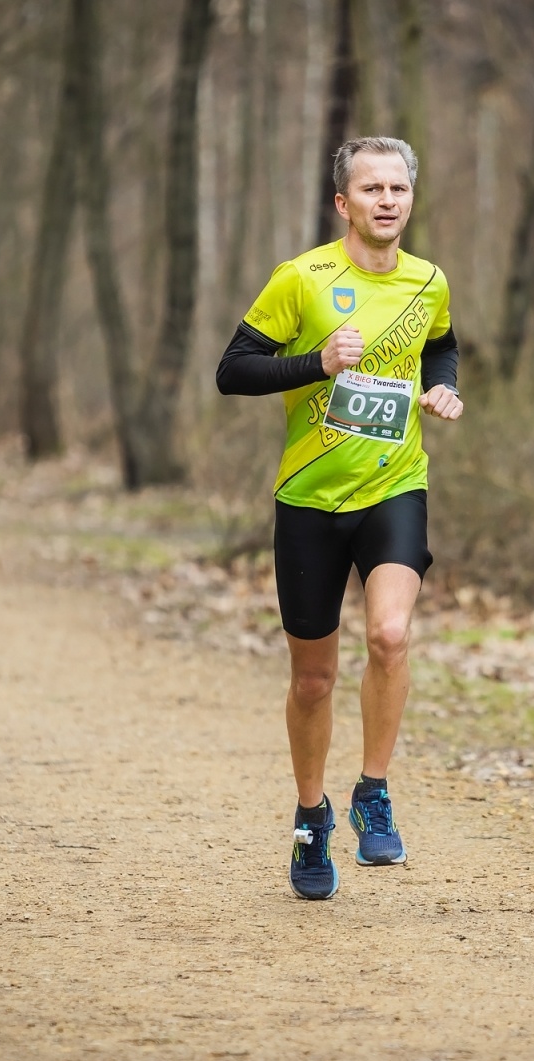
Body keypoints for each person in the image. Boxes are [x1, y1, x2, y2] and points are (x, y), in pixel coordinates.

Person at [216, 136, 464, 900]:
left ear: (410, 200)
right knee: (314, 680)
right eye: (371, 189)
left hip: (395, 488)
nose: (387, 200)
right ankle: (310, 817)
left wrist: (443, 388)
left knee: (390, 634)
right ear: (343, 203)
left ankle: (375, 791)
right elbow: (232, 371)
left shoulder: (429, 282)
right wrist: (315, 364)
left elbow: (443, 344)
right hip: (309, 501)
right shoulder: (304, 279)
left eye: (398, 189)